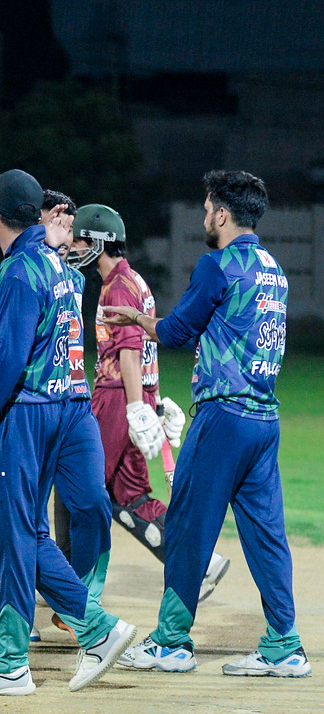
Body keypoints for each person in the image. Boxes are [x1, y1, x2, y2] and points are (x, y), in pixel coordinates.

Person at [0, 169, 136, 696]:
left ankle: (39, 652)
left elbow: (8, 362)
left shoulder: (20, 271)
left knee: (12, 535)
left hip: (22, 414)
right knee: (30, 532)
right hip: (62, 408)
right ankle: (52, 645)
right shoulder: (59, 267)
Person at [107, 170, 310, 677]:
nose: (203, 219)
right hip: (264, 419)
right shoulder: (275, 270)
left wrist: (136, 320)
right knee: (267, 536)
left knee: (187, 527)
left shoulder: (218, 265)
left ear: (221, 213)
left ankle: (171, 642)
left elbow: (177, 331)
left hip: (223, 417)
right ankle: (284, 645)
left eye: (205, 210)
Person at [66, 204, 230, 601]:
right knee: (131, 497)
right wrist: (151, 401)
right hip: (135, 396)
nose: (73, 247)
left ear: (98, 242)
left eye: (79, 239)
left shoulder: (117, 286)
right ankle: (199, 562)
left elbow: (128, 352)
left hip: (116, 398)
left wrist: (137, 407)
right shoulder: (133, 279)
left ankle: (69, 584)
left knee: (81, 487)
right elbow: (146, 350)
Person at [34, 191, 112, 641]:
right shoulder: (20, 273)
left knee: (92, 502)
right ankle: (16, 616)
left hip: (73, 405)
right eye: (58, 221)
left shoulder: (75, 279)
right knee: (25, 518)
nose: (68, 231)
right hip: (31, 408)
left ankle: (77, 600)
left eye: (70, 223)